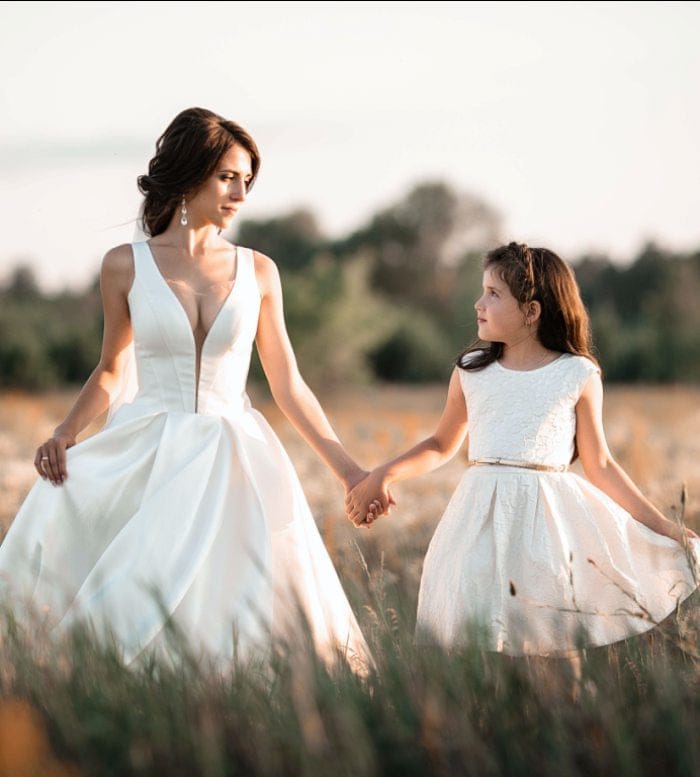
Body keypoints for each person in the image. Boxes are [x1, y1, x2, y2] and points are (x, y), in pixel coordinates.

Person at [0, 107, 378, 672]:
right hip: (149, 450)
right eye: (228, 177)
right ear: (190, 174)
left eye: (246, 180)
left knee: (242, 602)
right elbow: (111, 369)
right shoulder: (124, 266)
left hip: (236, 456)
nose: (240, 194)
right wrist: (66, 431)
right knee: (127, 579)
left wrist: (350, 472)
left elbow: (288, 384)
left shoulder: (260, 271)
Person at [345, 241, 699, 662]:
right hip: (477, 520)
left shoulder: (577, 373)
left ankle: (562, 706)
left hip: (548, 526)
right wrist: (383, 474)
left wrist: (664, 527)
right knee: (476, 641)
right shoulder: (472, 371)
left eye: (493, 294)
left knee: (555, 642)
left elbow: (601, 464)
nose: (479, 303)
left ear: (531, 311)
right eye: (482, 291)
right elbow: (440, 445)